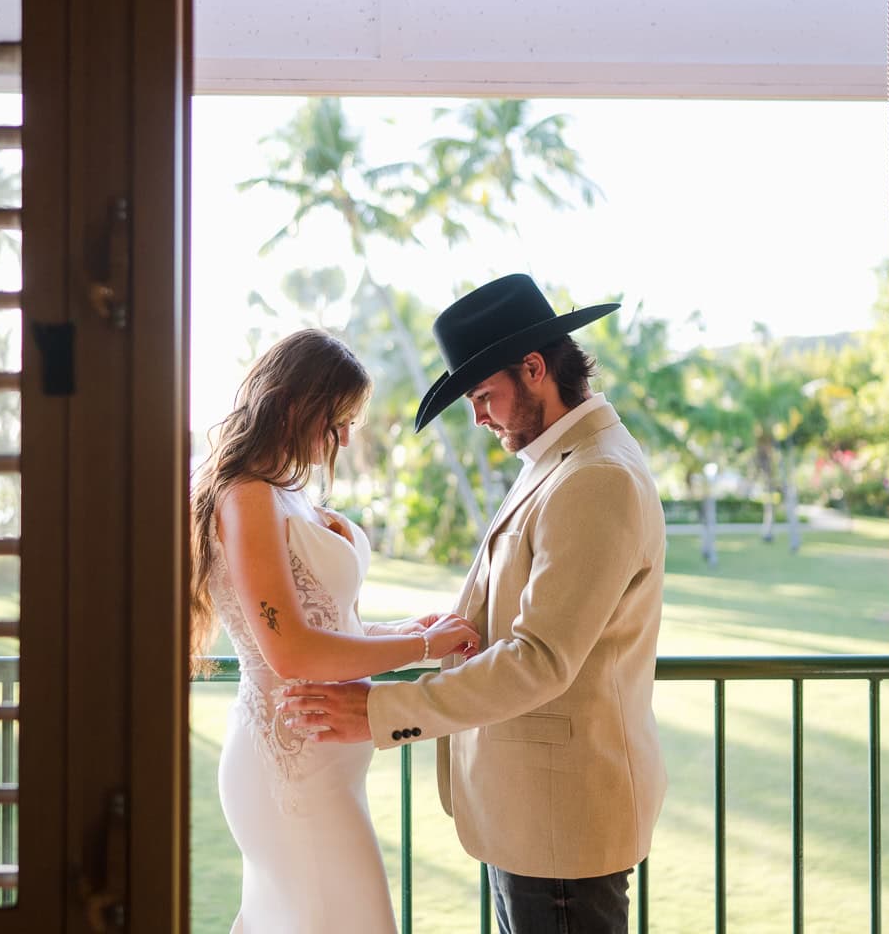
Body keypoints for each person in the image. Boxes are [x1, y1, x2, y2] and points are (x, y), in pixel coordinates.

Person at [281, 274, 668, 934]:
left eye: (484, 396)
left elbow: (539, 659)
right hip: (529, 812)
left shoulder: (594, 476)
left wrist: (380, 712)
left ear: (536, 369)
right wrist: (420, 634)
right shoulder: (560, 463)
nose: (479, 417)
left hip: (561, 823)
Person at [190, 328, 482, 934]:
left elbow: (326, 623)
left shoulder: (284, 494)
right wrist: (424, 647)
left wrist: (401, 628)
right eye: (339, 420)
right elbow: (292, 650)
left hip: (324, 770)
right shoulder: (246, 498)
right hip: (289, 768)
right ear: (297, 407)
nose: (348, 437)